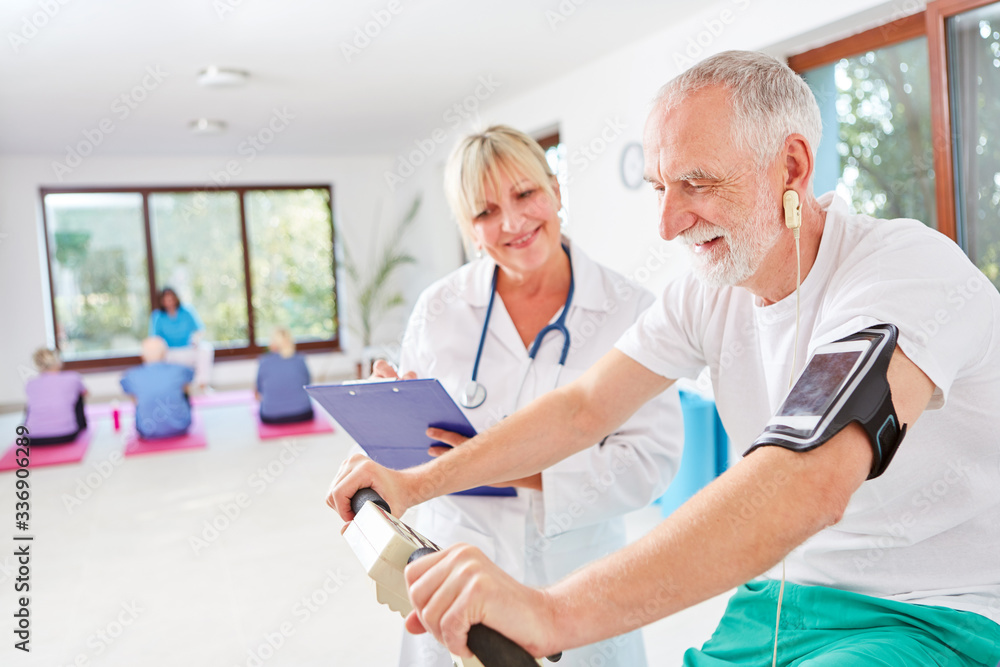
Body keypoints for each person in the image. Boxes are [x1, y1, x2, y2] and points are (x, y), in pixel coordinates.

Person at [329, 52, 1000, 666]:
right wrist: (418, 482)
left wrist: (550, 611)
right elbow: (584, 408)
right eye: (659, 188)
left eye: (698, 183)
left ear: (792, 167)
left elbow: (811, 479)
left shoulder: (903, 274)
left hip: (931, 611)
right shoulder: (706, 294)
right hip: (776, 605)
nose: (668, 222)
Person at [366, 125, 684, 667]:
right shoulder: (439, 308)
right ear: (468, 228)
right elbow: (414, 440)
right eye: (485, 211)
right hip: (455, 563)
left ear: (556, 191)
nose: (511, 223)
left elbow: (649, 463)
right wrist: (389, 412)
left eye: (525, 194)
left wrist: (508, 464)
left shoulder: (629, 309)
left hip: (575, 578)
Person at [121, 337, 194, 440]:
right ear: (165, 353)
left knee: (140, 399)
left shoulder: (130, 375)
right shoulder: (180, 369)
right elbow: (187, 387)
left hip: (147, 432)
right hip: (181, 428)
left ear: (142, 356)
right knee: (182, 391)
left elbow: (134, 399)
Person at [148, 287, 214, 388]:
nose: (169, 303)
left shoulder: (187, 311)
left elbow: (199, 330)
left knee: (206, 349)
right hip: (169, 353)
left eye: (171, 299)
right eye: (166, 300)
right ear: (161, 302)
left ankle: (202, 384)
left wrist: (195, 340)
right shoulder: (157, 316)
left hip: (187, 349)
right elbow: (155, 339)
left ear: (176, 299)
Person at [23, 347, 88, 445]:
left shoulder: (30, 383)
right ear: (58, 362)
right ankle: (82, 427)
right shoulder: (73, 377)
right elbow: (86, 393)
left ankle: (33, 427)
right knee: (78, 395)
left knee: (33, 404)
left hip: (31, 439)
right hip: (66, 435)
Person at [255, 327, 314, 424]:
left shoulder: (264, 361)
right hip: (303, 414)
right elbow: (307, 384)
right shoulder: (300, 359)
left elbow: (259, 390)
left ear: (272, 343)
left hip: (271, 417)